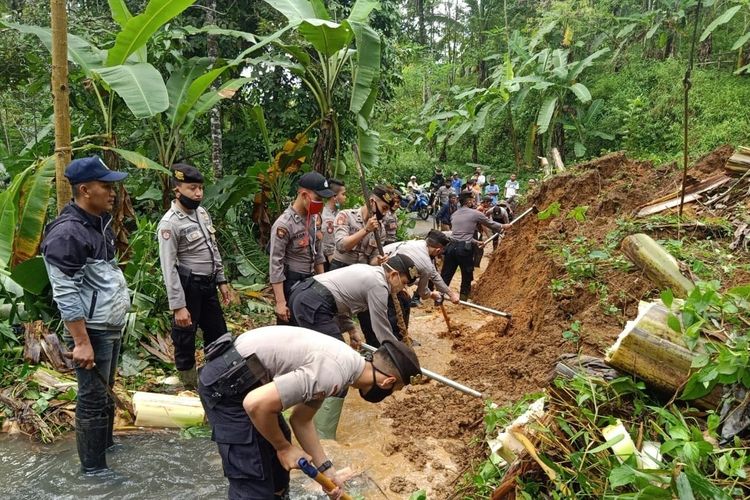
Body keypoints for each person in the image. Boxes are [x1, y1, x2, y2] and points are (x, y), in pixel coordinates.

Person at [197, 326, 421, 500]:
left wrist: (327, 472)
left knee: (276, 474)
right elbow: (256, 404)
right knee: (254, 482)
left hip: (247, 381)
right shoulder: (334, 372)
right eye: (394, 390)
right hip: (227, 388)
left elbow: (301, 420)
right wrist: (284, 448)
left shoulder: (348, 366)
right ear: (388, 382)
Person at [41, 156, 131, 473]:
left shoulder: (96, 223)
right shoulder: (68, 233)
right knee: (92, 398)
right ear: (84, 190)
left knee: (105, 391)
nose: (113, 193)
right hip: (91, 330)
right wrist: (81, 341)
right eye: (105, 186)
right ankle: (94, 471)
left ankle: (104, 447)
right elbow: (65, 292)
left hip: (107, 325)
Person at [287, 254, 419, 438]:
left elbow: (340, 302)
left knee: (316, 360)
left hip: (305, 296)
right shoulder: (379, 285)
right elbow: (381, 329)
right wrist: (401, 360)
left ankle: (297, 412)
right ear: (394, 275)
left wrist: (351, 331)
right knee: (338, 366)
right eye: (404, 283)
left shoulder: (370, 273)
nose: (402, 288)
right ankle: (324, 436)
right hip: (314, 303)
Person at [158, 164, 231, 389]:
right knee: (185, 335)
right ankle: (187, 382)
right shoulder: (170, 223)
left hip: (209, 285)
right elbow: (168, 267)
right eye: (192, 188)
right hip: (189, 286)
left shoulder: (202, 213)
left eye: (200, 188)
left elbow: (213, 248)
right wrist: (178, 306)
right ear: (177, 190)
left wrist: (222, 280)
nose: (198, 193)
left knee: (218, 333)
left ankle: (216, 377)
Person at [268, 172, 333, 328]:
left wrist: (325, 286)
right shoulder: (284, 225)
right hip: (290, 285)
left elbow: (318, 256)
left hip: (310, 283)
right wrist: (281, 302)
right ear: (304, 195)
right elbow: (275, 265)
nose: (321, 204)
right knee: (289, 334)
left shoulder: (313, 219)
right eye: (318, 199)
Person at [441, 192, 509, 300]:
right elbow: (490, 224)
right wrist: (504, 226)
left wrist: (476, 242)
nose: (474, 202)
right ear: (468, 201)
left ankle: (439, 299)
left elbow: (459, 234)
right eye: (472, 200)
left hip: (450, 248)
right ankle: (463, 300)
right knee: (467, 274)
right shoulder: (475, 213)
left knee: (446, 274)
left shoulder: (454, 214)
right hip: (464, 250)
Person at [379, 230, 460, 307]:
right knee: (403, 303)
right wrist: (431, 294)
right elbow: (423, 292)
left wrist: (451, 294)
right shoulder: (425, 264)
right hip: (384, 278)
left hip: (376, 264)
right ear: (438, 250)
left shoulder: (420, 244)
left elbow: (435, 276)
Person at [330, 186, 392, 269]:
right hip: (340, 267)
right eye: (384, 208)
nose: (385, 214)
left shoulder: (380, 229)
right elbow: (341, 246)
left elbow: (372, 260)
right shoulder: (346, 216)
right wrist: (366, 230)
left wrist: (378, 261)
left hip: (362, 271)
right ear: (371, 202)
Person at [321, 179, 347, 272]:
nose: (345, 197)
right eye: (343, 194)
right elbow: (329, 249)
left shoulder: (337, 213)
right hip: (331, 261)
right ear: (334, 196)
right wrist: (335, 270)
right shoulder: (328, 219)